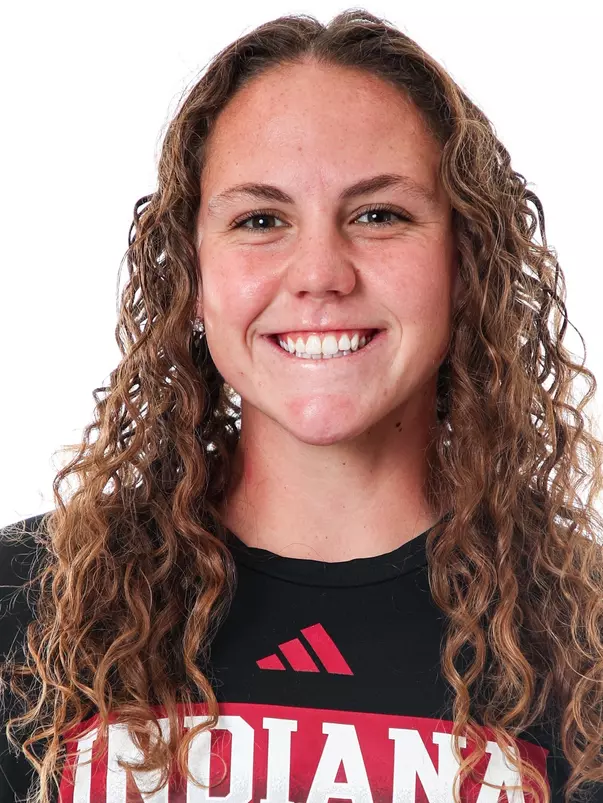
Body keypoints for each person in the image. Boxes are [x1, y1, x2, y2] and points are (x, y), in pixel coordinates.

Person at [1, 8, 602, 803]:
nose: (320, 272)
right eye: (261, 220)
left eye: (378, 215)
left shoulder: (582, 642)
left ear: (465, 266)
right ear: (190, 275)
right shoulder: (26, 609)